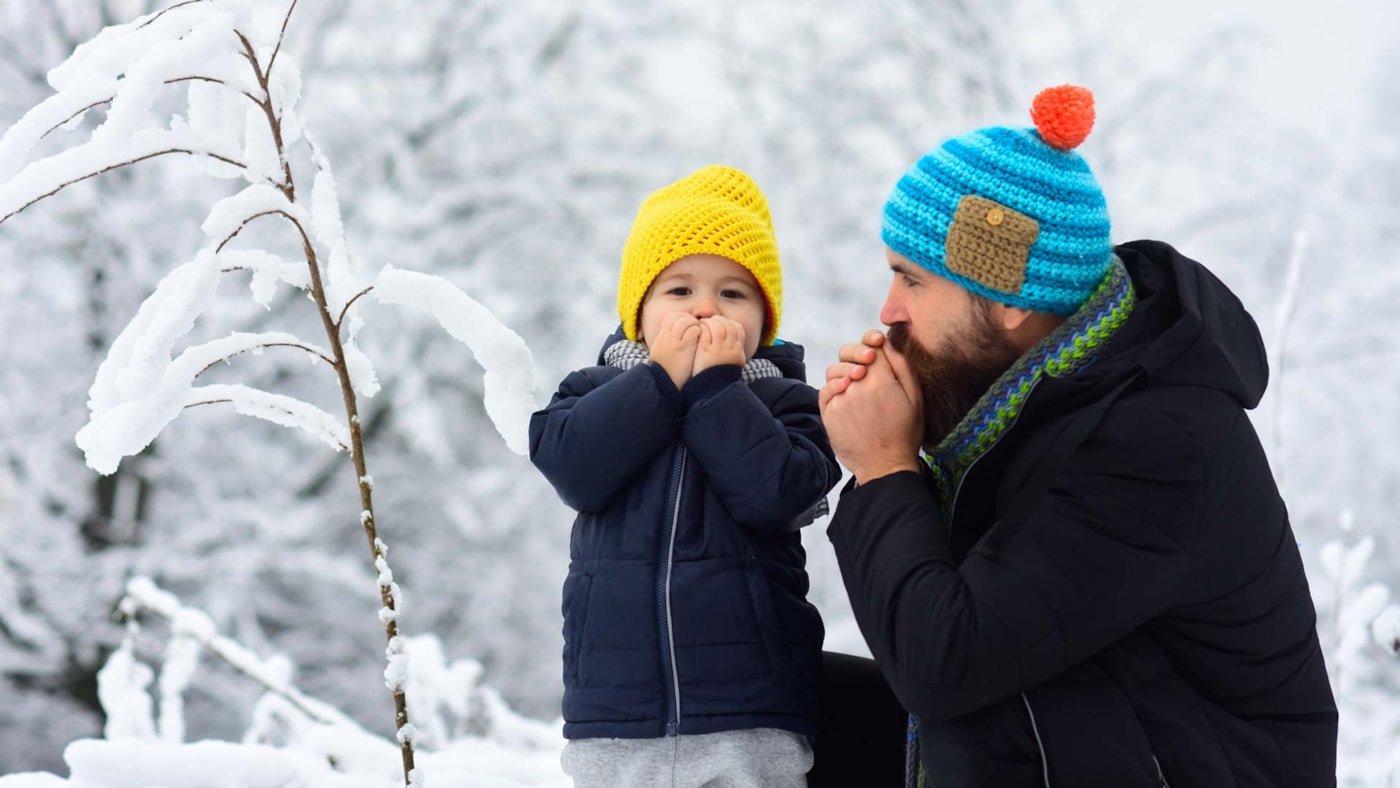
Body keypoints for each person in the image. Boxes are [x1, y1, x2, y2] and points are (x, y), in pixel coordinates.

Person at [817, 85, 1339, 786]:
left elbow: (946, 664)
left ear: (1005, 300)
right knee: (784, 700)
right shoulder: (1038, 405)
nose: (888, 311)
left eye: (911, 280)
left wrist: (883, 466)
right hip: (1096, 736)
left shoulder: (1157, 444)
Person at [530, 165, 842, 787]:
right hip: (616, 713)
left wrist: (715, 389)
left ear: (764, 318)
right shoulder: (591, 392)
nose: (705, 307)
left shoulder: (787, 405)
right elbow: (575, 470)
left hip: (749, 712)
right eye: (678, 291)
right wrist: (660, 383)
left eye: (733, 294)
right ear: (637, 311)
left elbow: (776, 495)